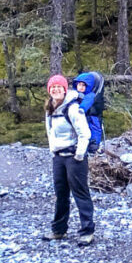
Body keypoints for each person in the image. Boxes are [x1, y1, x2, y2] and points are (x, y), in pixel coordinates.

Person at [42, 73, 95, 245]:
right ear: (49, 90)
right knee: (61, 194)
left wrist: (79, 154)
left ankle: (87, 231)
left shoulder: (72, 108)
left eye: (59, 87)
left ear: (65, 89)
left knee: (80, 193)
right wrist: (52, 151)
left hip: (74, 157)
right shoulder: (50, 108)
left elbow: (84, 133)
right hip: (58, 157)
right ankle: (59, 230)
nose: (56, 90)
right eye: (53, 87)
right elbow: (50, 132)